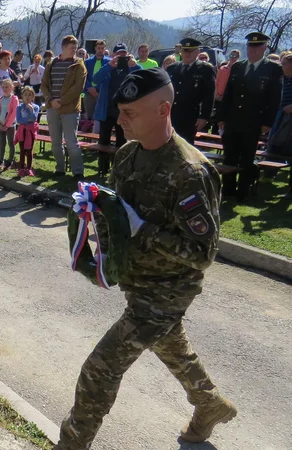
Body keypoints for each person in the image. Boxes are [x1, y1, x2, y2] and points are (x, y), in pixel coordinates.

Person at [55, 67, 237, 450]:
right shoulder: (126, 156)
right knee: (173, 348)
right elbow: (119, 215)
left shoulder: (191, 172)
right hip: (137, 282)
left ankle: (71, 444)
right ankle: (210, 405)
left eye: (129, 113)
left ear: (162, 110)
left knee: (100, 370)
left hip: (167, 292)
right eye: (120, 111)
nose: (119, 120)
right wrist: (100, 231)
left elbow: (202, 255)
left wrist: (145, 230)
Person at [217, 32, 283, 200]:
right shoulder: (238, 66)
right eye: (249, 46)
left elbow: (275, 98)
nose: (252, 50)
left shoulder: (273, 68)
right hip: (233, 119)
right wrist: (222, 117)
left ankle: (243, 191)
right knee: (230, 155)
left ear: (264, 47)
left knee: (247, 157)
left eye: (256, 46)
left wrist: (268, 122)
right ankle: (228, 189)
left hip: (254, 120)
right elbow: (229, 94)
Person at [91, 43, 142, 176]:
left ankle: (118, 170)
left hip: (124, 113)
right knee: (103, 142)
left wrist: (134, 65)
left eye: (124, 54)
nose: (121, 57)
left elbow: (142, 78)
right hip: (107, 111)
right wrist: (109, 66)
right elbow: (95, 80)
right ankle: (102, 169)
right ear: (113, 55)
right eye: (118, 54)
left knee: (122, 143)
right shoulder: (108, 66)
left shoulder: (131, 68)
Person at [43, 35, 87, 179]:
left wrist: (61, 101)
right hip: (52, 107)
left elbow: (77, 88)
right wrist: (50, 100)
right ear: (63, 48)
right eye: (71, 48)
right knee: (55, 142)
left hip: (70, 109)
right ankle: (60, 169)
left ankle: (78, 172)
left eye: (75, 48)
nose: (74, 50)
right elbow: (44, 85)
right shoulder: (51, 64)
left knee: (71, 142)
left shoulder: (79, 65)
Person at [165, 38, 216, 145]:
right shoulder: (172, 68)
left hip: (191, 116)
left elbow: (209, 95)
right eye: (185, 51)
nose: (187, 54)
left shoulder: (205, 69)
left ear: (197, 52)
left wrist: (204, 116)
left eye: (190, 51)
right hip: (171, 114)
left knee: (185, 147)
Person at [268, 53, 292, 198]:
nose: (280, 66)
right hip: (280, 117)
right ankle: (268, 174)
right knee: (275, 145)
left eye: (283, 63)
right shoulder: (282, 79)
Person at [84, 40, 109, 133]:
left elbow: (107, 77)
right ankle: (88, 139)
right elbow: (84, 77)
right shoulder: (88, 62)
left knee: (100, 118)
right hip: (89, 93)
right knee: (89, 118)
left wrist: (97, 90)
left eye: (102, 48)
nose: (100, 50)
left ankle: (98, 139)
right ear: (95, 49)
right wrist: (89, 88)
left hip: (102, 94)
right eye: (98, 48)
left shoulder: (108, 62)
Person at [15, 85, 39, 177]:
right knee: (22, 150)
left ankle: (29, 168)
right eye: (25, 95)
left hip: (31, 131)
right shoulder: (19, 107)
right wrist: (27, 121)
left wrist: (31, 110)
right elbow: (19, 120)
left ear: (33, 96)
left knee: (29, 150)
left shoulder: (35, 107)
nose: (27, 97)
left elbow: (34, 119)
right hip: (22, 131)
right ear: (22, 96)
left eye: (30, 95)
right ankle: (21, 168)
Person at [0, 78, 19, 169]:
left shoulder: (14, 99)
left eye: (7, 87)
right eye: (3, 87)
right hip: (1, 126)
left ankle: (11, 160)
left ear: (12, 88)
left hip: (10, 126)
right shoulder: (0, 99)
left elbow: (14, 113)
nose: (5, 89)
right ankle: (1, 161)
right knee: (2, 143)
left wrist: (7, 125)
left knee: (11, 143)